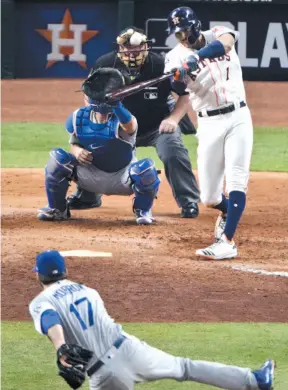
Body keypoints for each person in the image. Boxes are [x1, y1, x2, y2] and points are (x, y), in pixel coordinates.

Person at [29, 250, 275, 390]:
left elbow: (51, 319)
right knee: (184, 367)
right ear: (65, 271)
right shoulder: (87, 289)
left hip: (107, 374)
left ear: (38, 275)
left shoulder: (40, 302)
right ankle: (255, 380)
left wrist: (61, 346)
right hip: (129, 348)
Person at [67, 26, 200, 219]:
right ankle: (88, 196)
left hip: (157, 125)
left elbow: (185, 95)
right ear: (119, 49)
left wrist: (173, 119)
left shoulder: (160, 64)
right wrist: (99, 118)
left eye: (136, 47)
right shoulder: (105, 63)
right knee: (94, 140)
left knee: (173, 151)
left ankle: (188, 201)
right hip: (118, 127)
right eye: (127, 47)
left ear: (146, 47)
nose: (132, 51)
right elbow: (90, 94)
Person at [165, 7, 254, 259]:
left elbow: (225, 44)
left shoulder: (218, 32)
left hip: (238, 117)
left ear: (195, 26)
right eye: (177, 33)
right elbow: (176, 87)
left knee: (237, 178)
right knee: (209, 197)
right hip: (209, 124)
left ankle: (226, 241)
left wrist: (197, 58)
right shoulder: (174, 57)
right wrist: (179, 76)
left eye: (184, 30)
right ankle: (228, 212)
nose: (182, 37)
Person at [37, 68, 160, 225]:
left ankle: (143, 211)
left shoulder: (124, 119)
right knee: (57, 158)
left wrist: (116, 105)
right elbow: (74, 142)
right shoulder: (77, 117)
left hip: (121, 178)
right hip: (89, 175)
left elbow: (129, 126)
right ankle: (57, 209)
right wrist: (77, 151)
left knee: (145, 169)